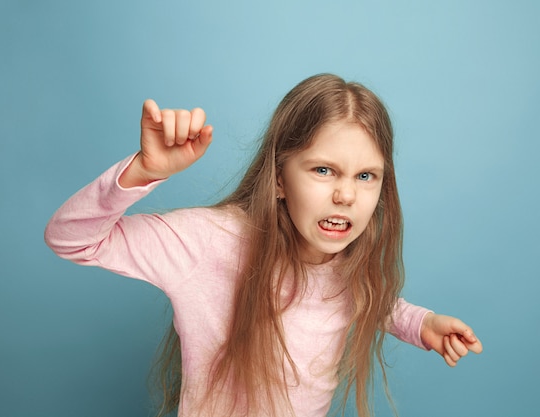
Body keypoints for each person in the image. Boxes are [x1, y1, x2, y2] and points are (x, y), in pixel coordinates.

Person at [44, 73, 482, 417]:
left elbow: (366, 296)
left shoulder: (347, 264)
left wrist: (421, 325)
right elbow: (72, 239)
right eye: (323, 170)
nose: (346, 195)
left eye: (365, 176)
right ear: (277, 179)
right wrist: (141, 171)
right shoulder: (208, 243)